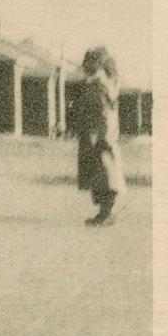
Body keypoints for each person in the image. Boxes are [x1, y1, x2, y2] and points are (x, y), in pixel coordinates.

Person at [74, 47, 126, 226]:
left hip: (99, 136)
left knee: (105, 175)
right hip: (96, 135)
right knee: (98, 175)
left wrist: (99, 135)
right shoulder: (99, 84)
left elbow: (104, 113)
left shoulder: (100, 85)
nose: (84, 65)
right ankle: (105, 213)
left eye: (88, 61)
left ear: (97, 64)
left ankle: (107, 213)